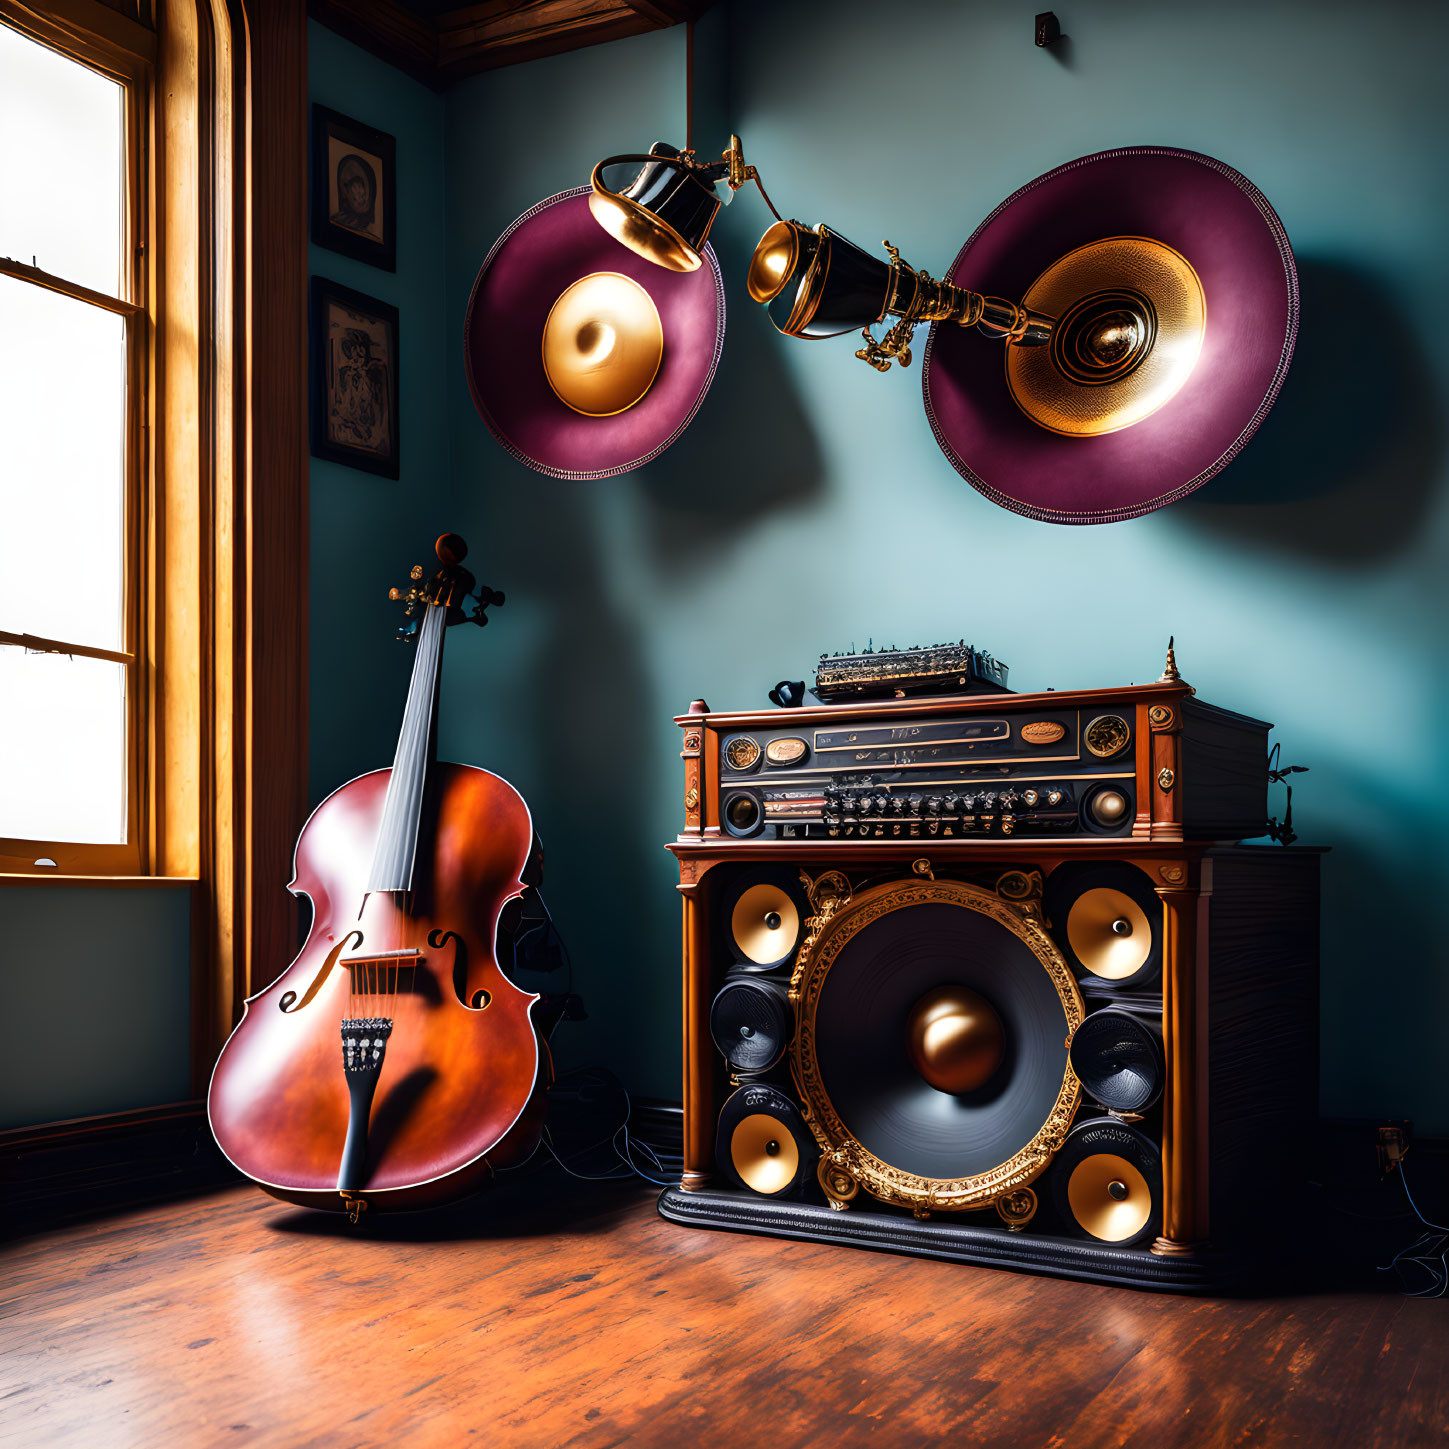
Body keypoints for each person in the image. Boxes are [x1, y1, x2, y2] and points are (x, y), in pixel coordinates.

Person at [331, 152, 379, 237]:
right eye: (354, 198)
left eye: (362, 196)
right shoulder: (338, 220)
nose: (359, 199)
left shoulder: (370, 229)